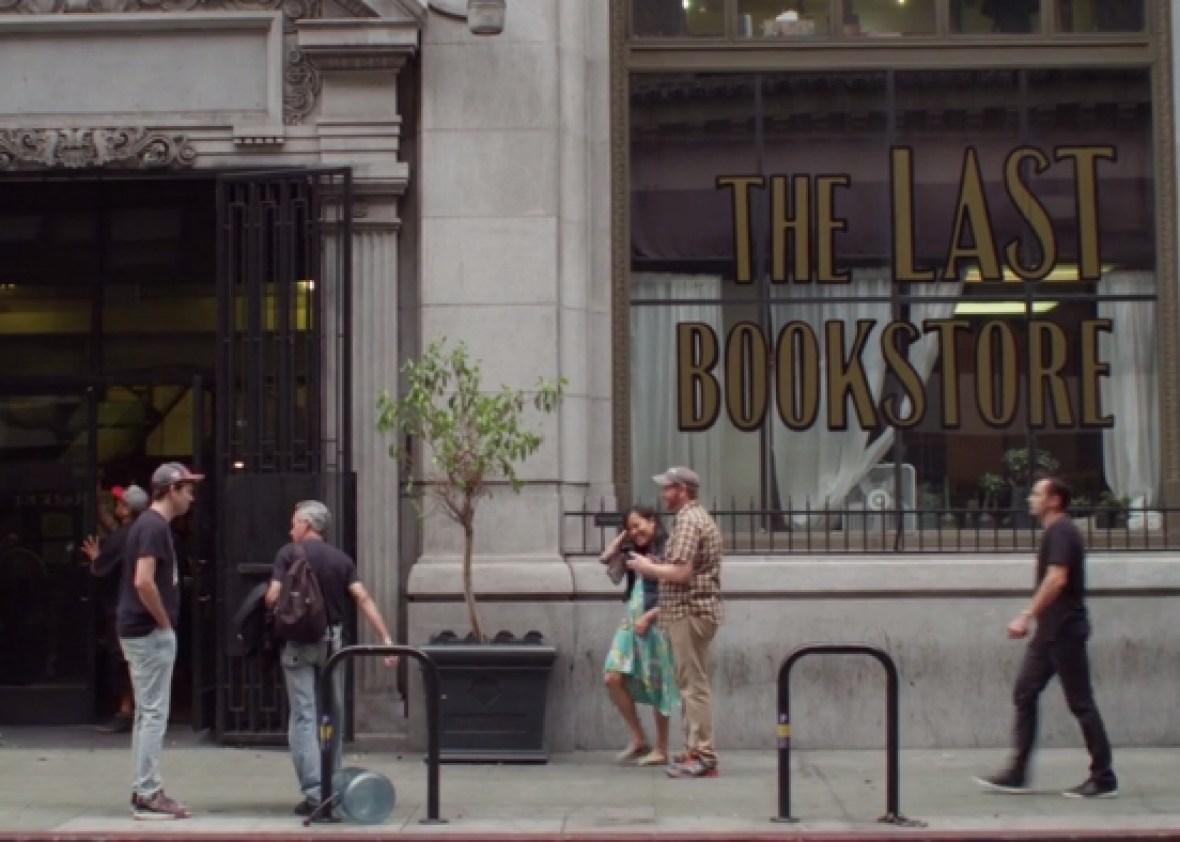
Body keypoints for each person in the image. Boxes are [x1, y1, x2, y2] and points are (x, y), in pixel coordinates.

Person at [975, 477, 1118, 799]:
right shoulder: (1056, 532)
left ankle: (1104, 776)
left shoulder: (1062, 531)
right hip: (1050, 632)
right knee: (1025, 693)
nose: (1029, 499)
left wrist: (1026, 614)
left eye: (1036, 494)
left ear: (1054, 500)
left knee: (1080, 702)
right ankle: (1017, 772)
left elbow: (1056, 579)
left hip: (1065, 630)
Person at [265, 500, 398, 818]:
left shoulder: (288, 554)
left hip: (298, 644)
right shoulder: (341, 559)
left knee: (304, 716)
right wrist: (387, 639)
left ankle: (314, 793)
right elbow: (362, 597)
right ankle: (333, 784)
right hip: (333, 644)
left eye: (295, 522)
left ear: (308, 525)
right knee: (332, 715)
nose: (290, 529)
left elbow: (272, 597)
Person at [627, 466, 724, 779]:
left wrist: (648, 568)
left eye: (667, 488)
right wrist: (659, 564)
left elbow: (681, 574)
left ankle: (704, 756)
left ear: (682, 490)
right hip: (694, 611)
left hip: (689, 612)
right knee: (690, 683)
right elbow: (684, 568)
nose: (662, 494)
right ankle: (695, 750)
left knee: (693, 685)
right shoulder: (697, 518)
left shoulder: (687, 522)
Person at [118, 463, 202, 820]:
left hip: (138, 629)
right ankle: (149, 793)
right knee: (154, 714)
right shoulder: (154, 527)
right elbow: (143, 581)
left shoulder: (149, 525)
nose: (191, 496)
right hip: (149, 632)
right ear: (171, 490)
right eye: (187, 489)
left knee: (145, 713)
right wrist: (165, 624)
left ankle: (144, 789)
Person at [601, 506, 679, 767]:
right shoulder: (635, 551)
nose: (636, 532)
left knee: (658, 683)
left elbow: (679, 593)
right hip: (631, 620)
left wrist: (651, 616)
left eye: (639, 526)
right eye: (631, 528)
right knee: (613, 676)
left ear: (653, 522)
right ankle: (638, 738)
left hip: (655, 621)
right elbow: (611, 570)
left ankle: (661, 747)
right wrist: (620, 541)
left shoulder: (668, 549)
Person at [81, 484, 149, 734]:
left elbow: (100, 570)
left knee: (122, 659)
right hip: (137, 606)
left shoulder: (123, 537)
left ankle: (125, 710)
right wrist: (100, 509)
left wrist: (95, 559)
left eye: (120, 503)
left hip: (120, 607)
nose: (117, 505)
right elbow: (117, 534)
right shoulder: (140, 531)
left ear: (128, 509)